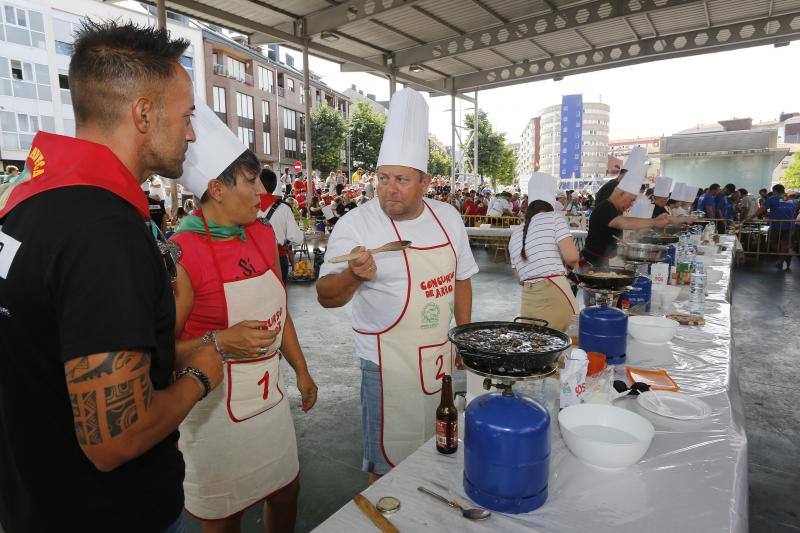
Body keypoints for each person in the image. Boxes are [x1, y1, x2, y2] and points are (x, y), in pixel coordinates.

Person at [0, 21, 224, 533]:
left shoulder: (26, 207)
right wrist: (200, 375)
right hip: (115, 514)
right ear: (143, 114)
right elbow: (116, 439)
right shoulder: (104, 232)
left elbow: (51, 351)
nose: (191, 133)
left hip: (34, 503)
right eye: (187, 116)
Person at [316, 89, 478, 483]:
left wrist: (463, 336)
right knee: (386, 463)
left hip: (438, 356)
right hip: (385, 362)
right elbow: (325, 295)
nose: (390, 189)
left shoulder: (448, 218)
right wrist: (353, 275)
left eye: (402, 180)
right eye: (383, 178)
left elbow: (461, 279)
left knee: (437, 446)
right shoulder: (356, 225)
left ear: (425, 181)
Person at [171, 122, 317, 529]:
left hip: (269, 400)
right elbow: (158, 352)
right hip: (212, 409)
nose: (260, 193)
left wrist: (301, 370)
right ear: (216, 188)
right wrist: (218, 341)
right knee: (224, 516)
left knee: (286, 491)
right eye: (251, 183)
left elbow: (280, 311)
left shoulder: (262, 235)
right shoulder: (183, 253)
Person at [582, 149, 690, 267]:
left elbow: (611, 232)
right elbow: (622, 222)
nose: (632, 204)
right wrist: (654, 222)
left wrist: (630, 237)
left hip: (606, 260)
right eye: (631, 200)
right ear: (621, 194)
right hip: (593, 263)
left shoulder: (614, 208)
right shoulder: (605, 208)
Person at [509, 173, 579, 332]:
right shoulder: (555, 218)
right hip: (555, 293)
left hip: (528, 301)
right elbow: (572, 257)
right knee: (565, 340)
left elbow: (520, 279)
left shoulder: (515, 233)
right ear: (551, 201)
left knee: (535, 342)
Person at [258, 168, 305, 284]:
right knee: (279, 293)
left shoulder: (246, 206)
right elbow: (297, 238)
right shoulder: (284, 208)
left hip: (253, 259)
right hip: (278, 258)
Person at [754, 183, 797, 270]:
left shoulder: (772, 199)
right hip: (790, 225)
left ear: (775, 191)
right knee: (784, 244)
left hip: (776, 225)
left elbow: (761, 209)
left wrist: (751, 217)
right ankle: (783, 258)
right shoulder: (791, 200)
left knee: (771, 243)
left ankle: (785, 255)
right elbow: (792, 210)